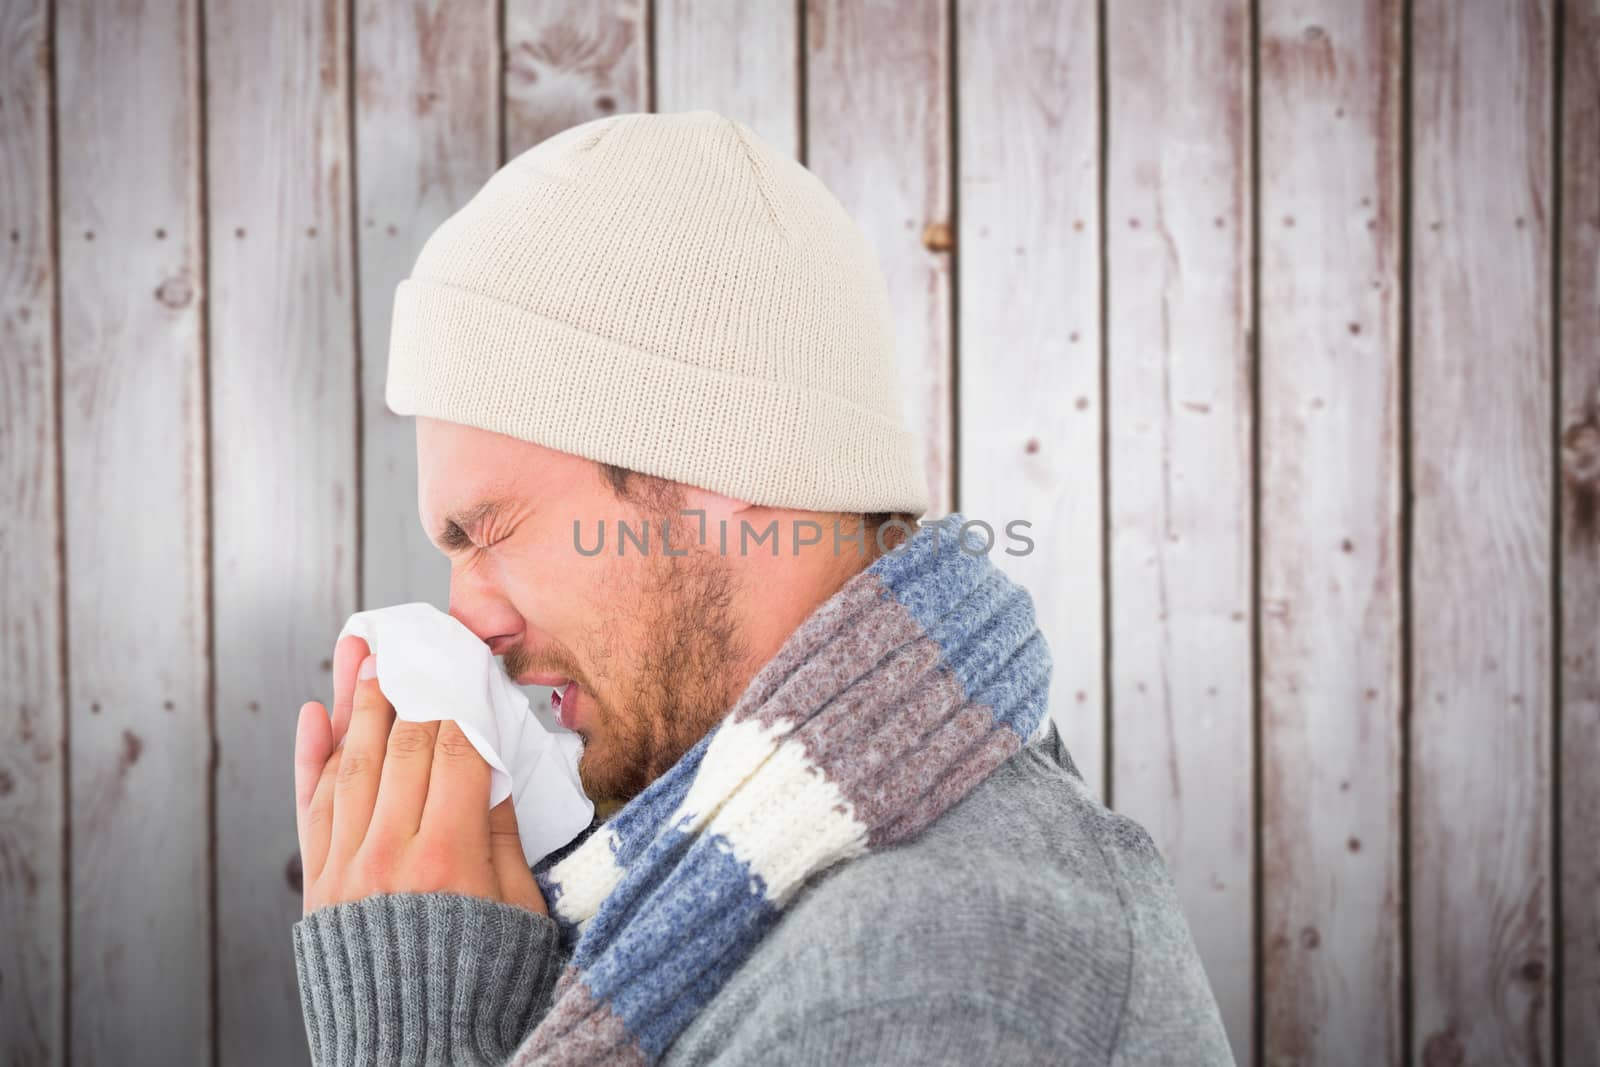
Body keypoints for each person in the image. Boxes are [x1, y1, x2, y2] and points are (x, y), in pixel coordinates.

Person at [289, 108, 1233, 1066]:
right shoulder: (781, 895)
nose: (467, 618)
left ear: (710, 457)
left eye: (489, 527)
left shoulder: (927, 984)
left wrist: (408, 1032)